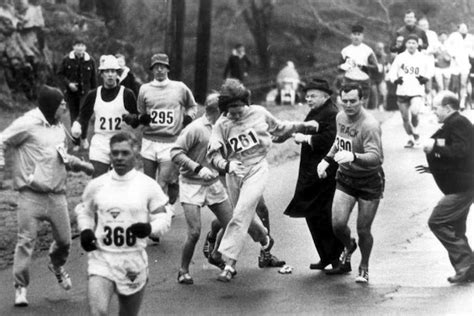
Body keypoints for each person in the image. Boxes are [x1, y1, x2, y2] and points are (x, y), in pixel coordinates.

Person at [207, 79, 318, 282]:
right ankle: (266, 240)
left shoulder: (259, 113)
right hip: (234, 171)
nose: (237, 114)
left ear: (246, 103)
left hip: (257, 166)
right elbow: (213, 155)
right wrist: (226, 165)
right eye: (231, 110)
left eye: (240, 108)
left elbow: (280, 128)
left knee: (241, 213)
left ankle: (229, 264)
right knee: (245, 216)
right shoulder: (221, 125)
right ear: (224, 108)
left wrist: (303, 126)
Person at [170, 93, 282, 284]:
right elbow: (175, 152)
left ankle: (219, 253)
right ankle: (183, 270)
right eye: (227, 112)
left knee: (234, 220)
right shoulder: (196, 129)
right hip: (192, 183)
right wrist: (197, 168)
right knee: (195, 231)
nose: (232, 116)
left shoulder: (230, 126)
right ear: (217, 111)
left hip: (218, 181)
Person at [0, 85, 94, 307]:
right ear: (51, 105)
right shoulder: (27, 123)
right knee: (26, 241)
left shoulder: (59, 127)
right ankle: (20, 287)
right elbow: (1, 139)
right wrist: (1, 165)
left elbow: (61, 156)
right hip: (30, 195)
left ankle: (57, 264)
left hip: (57, 195)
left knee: (64, 241)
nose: (64, 104)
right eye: (61, 101)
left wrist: (82, 165)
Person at [75, 132, 172, 316]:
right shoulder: (97, 184)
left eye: (125, 153)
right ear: (110, 155)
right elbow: (84, 210)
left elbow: (164, 217)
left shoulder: (147, 185)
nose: (119, 158)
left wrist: (150, 228)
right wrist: (86, 230)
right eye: (115, 153)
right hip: (102, 258)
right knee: (98, 312)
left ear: (136, 155)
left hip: (132, 260)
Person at [317, 83, 384, 283]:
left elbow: (376, 157)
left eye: (353, 101)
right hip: (346, 178)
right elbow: (339, 141)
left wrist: (353, 156)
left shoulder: (369, 125)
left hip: (369, 181)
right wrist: (326, 160)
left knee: (363, 229)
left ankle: (364, 266)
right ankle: (349, 245)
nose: (348, 105)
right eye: (344, 101)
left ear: (362, 100)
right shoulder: (340, 117)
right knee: (337, 225)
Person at [283, 79, 344, 271]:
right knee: (312, 213)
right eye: (307, 96)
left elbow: (332, 139)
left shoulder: (332, 113)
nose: (308, 99)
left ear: (325, 96)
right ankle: (325, 256)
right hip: (312, 170)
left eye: (313, 95)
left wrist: (306, 138)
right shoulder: (319, 111)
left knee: (323, 214)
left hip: (325, 171)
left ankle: (336, 257)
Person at [416, 91, 474, 283]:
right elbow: (458, 156)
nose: (434, 112)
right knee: (456, 227)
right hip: (460, 184)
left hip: (463, 186)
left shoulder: (458, 123)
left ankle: (466, 263)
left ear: (448, 108)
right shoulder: (453, 124)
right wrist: (434, 168)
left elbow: (462, 151)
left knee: (438, 221)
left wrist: (435, 149)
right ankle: (466, 270)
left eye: (436, 108)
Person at [134, 53, 197, 219]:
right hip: (149, 140)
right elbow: (140, 112)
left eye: (163, 66)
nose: (159, 70)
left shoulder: (180, 87)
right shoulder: (144, 89)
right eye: (156, 67)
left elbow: (192, 105)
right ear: (152, 69)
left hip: (170, 141)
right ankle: (157, 212)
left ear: (167, 68)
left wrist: (189, 117)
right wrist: (142, 118)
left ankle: (164, 210)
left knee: (165, 181)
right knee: (149, 182)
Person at [71, 55, 138, 178]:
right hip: (100, 141)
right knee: (98, 179)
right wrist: (77, 124)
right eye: (107, 71)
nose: (110, 75)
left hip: (120, 141)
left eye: (113, 71)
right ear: (101, 74)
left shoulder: (127, 94)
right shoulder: (93, 94)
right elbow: (83, 116)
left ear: (117, 73)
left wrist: (131, 118)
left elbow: (137, 119)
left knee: (121, 181)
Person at [388, 34, 429, 148]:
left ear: (417, 45)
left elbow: (430, 70)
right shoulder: (400, 57)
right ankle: (410, 138)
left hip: (416, 89)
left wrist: (425, 78)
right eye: (409, 43)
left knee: (415, 112)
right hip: (402, 90)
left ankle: (415, 130)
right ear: (406, 44)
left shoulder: (422, 57)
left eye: (414, 43)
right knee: (405, 117)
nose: (411, 45)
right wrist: (395, 80)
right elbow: (392, 72)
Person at [57, 38, 97, 149]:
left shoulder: (91, 60)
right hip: (71, 93)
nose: (80, 48)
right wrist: (68, 84)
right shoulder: (67, 59)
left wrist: (95, 93)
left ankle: (84, 138)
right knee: (74, 116)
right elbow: (60, 74)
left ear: (85, 47)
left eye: (82, 45)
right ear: (73, 47)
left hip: (86, 93)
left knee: (83, 115)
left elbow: (94, 79)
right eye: (77, 45)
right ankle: (76, 142)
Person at [446, 23, 474, 110]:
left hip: (465, 63)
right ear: (458, 29)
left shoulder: (470, 38)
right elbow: (447, 46)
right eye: (461, 28)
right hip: (455, 64)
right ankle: (455, 101)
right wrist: (452, 55)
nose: (463, 29)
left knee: (463, 84)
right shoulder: (453, 36)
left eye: (465, 28)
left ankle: (462, 102)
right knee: (455, 85)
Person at [418, 17, 439, 108]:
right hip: (419, 59)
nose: (423, 27)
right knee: (419, 80)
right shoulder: (416, 34)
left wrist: (429, 52)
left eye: (425, 25)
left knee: (428, 80)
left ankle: (429, 101)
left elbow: (436, 49)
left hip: (429, 59)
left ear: (428, 25)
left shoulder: (432, 34)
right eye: (421, 25)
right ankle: (422, 103)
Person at [371, 42, 388, 110]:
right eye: (379, 48)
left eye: (382, 48)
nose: (380, 50)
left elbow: (387, 65)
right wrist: (375, 67)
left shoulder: (385, 56)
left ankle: (381, 105)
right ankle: (375, 107)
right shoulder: (372, 56)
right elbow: (367, 65)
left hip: (381, 78)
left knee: (383, 93)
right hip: (372, 78)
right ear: (376, 49)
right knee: (374, 93)